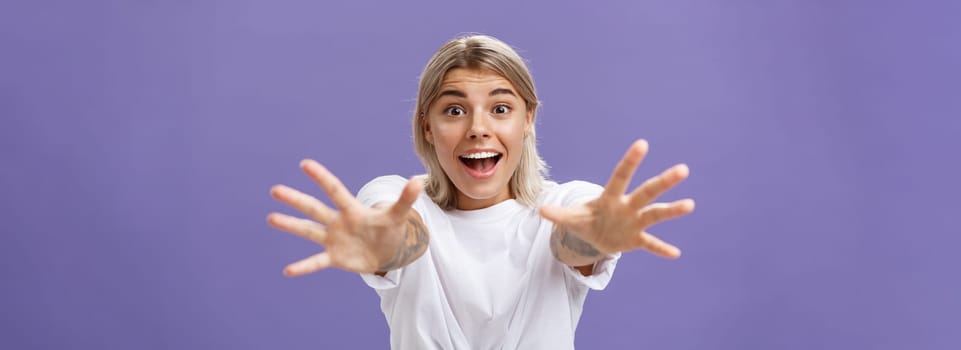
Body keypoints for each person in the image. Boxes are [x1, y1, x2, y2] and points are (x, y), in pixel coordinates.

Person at [267, 34, 695, 349]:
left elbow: (576, 239)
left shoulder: (562, 205)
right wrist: (381, 243)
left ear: (528, 119)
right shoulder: (399, 198)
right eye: (454, 110)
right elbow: (397, 235)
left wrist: (596, 236)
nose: (477, 128)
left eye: (501, 108)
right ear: (426, 126)